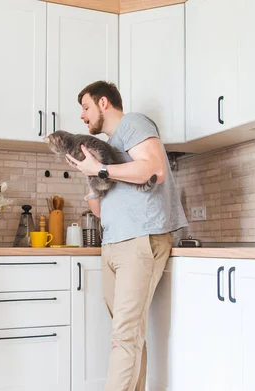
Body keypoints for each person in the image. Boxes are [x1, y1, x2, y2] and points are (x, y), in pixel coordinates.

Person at [65, 81, 188, 391]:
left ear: (103, 103)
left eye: (85, 107)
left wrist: (102, 170)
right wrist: (90, 174)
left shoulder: (134, 123)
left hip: (140, 240)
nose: (82, 116)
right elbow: (100, 211)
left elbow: (154, 170)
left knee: (125, 336)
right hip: (114, 243)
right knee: (128, 336)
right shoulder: (106, 149)